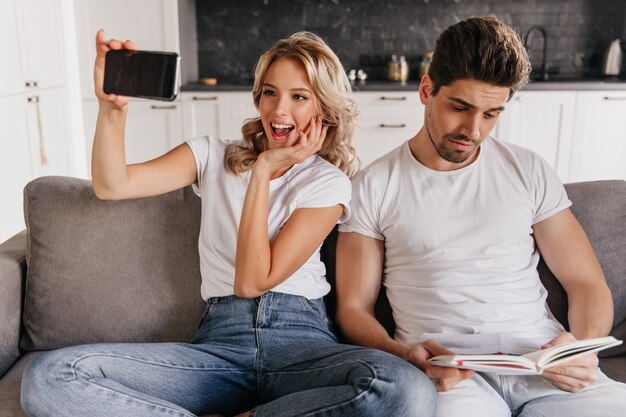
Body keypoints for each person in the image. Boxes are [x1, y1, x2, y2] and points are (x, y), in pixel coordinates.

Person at [20, 30, 436, 417]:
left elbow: (254, 280)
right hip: (218, 349)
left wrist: (263, 173)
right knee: (49, 377)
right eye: (270, 93)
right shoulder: (210, 156)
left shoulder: (328, 182)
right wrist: (112, 108)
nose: (279, 109)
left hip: (301, 347)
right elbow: (113, 185)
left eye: (299, 97)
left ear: (323, 108)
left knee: (406, 389)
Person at [335, 15, 626, 417]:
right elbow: (353, 309)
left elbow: (586, 283)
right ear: (426, 90)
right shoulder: (373, 185)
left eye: (491, 114)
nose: (473, 129)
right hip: (450, 380)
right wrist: (403, 355)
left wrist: (578, 347)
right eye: (460, 107)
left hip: (545, 368)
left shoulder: (528, 170)